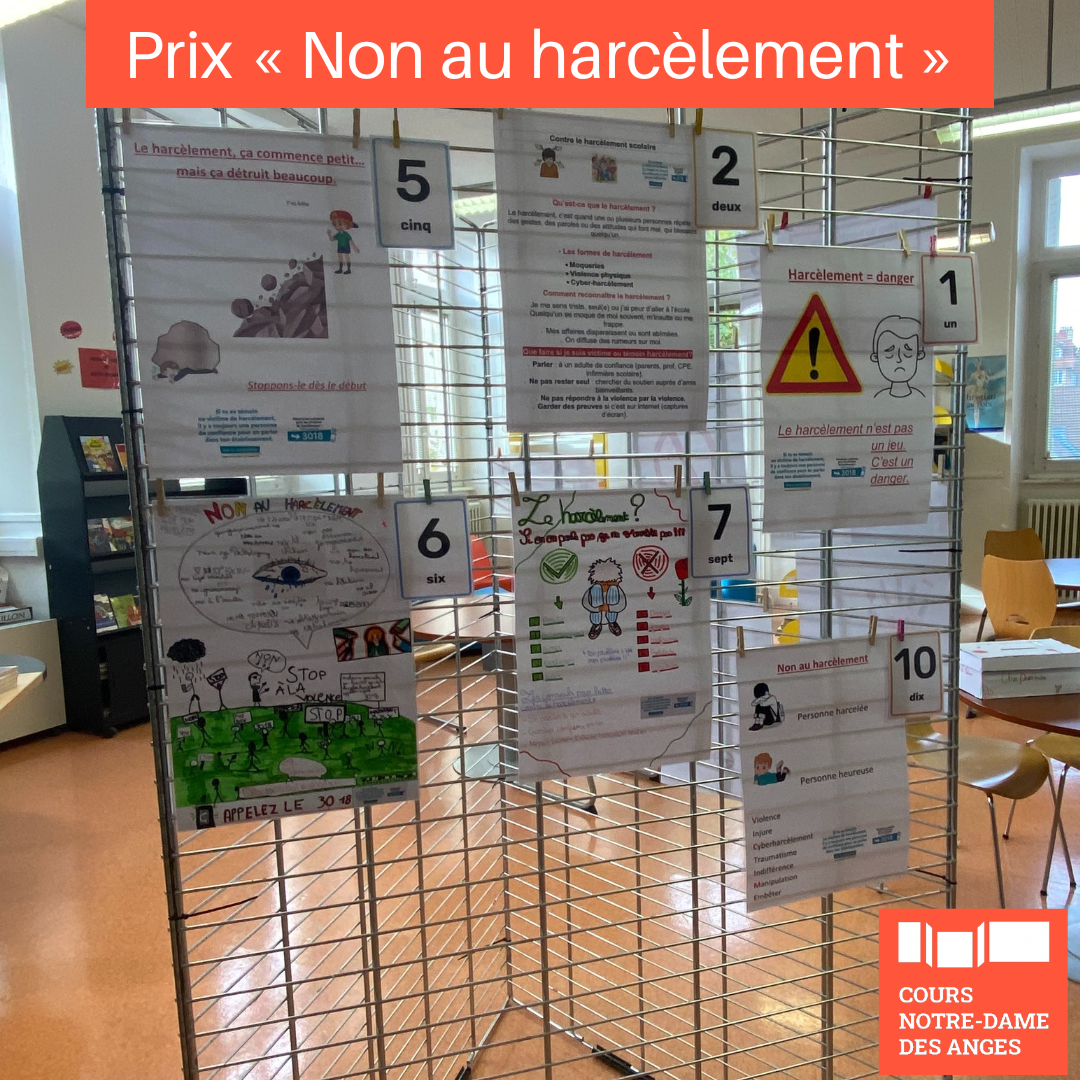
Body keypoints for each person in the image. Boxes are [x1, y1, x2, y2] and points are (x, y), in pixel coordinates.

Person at [871, 315, 926, 398]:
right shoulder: (878, 397)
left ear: (919, 355)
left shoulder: (921, 397)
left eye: (907, 353)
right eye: (890, 353)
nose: (899, 359)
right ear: (876, 357)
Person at [582, 559, 627, 639]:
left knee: (613, 589)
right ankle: (596, 625)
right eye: (603, 582)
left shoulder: (616, 590)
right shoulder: (593, 590)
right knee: (595, 590)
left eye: (609, 582)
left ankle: (612, 623)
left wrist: (610, 608)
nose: (606, 585)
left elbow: (622, 604)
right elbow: (585, 603)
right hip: (596, 612)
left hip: (611, 612)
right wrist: (597, 608)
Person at [327, 210, 359, 274]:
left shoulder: (346, 234)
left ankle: (348, 269)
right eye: (335, 224)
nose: (337, 226)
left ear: (347, 225)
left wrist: (355, 248)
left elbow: (350, 241)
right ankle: (340, 269)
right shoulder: (338, 235)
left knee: (347, 257)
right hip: (340, 246)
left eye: (340, 224)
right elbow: (332, 239)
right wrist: (329, 234)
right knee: (340, 257)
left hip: (346, 246)